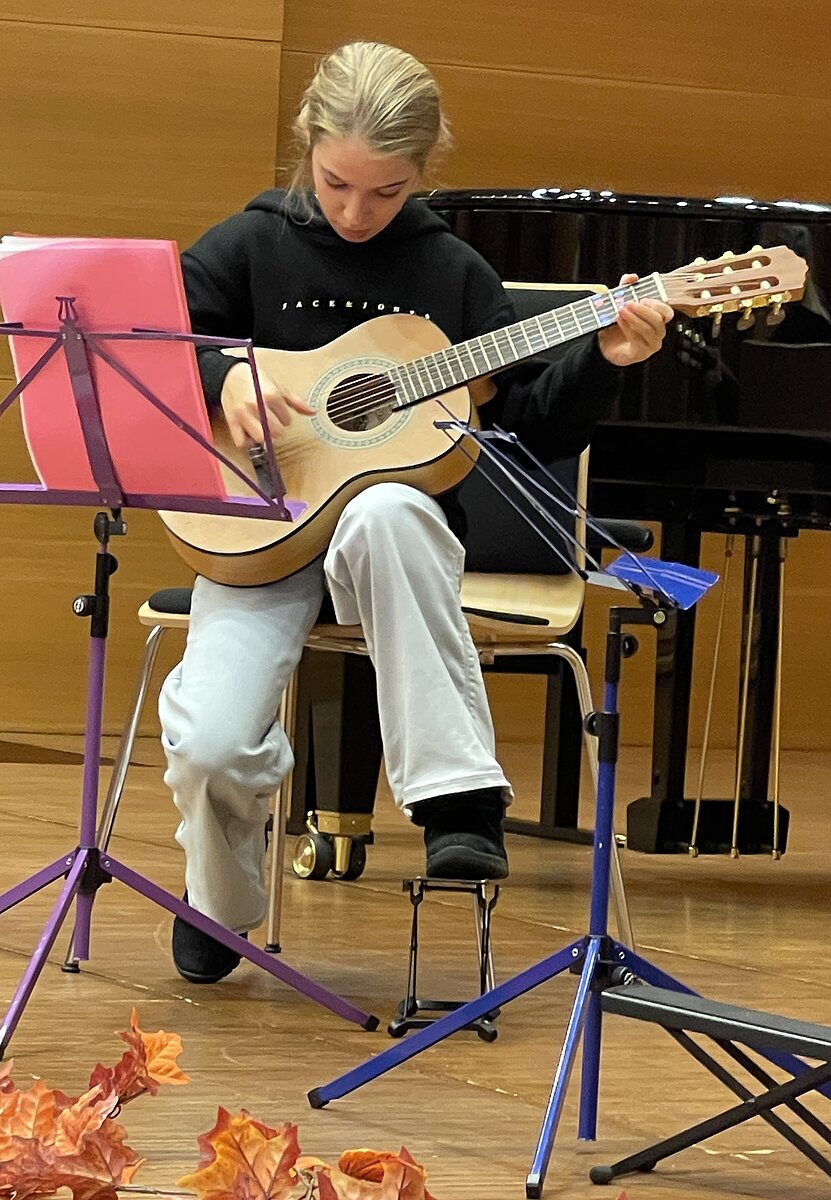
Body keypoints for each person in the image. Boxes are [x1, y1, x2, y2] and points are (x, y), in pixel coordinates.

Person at [161, 40, 673, 984]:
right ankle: (220, 904)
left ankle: (457, 800)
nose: (356, 213)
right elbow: (150, 345)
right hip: (259, 530)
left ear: (423, 174)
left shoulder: (452, 275)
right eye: (336, 184)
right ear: (306, 144)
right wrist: (220, 372)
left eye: (386, 192)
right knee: (212, 745)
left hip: (394, 557)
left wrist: (605, 360)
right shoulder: (247, 245)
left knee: (389, 509)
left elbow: (526, 426)